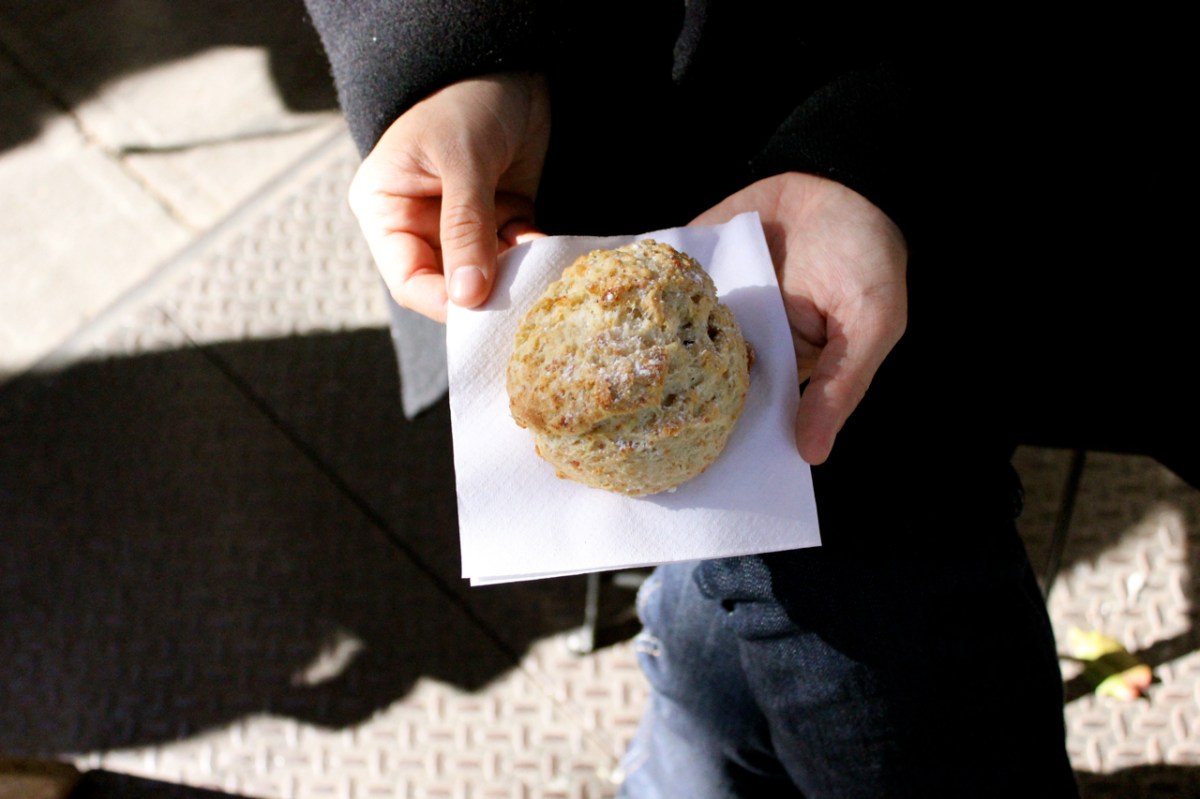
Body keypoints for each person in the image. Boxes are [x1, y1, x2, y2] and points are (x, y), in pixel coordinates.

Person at [303, 4, 1194, 796]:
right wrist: (457, 51)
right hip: (586, 146)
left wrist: (877, 144)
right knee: (747, 596)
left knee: (880, 602)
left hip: (990, 160)